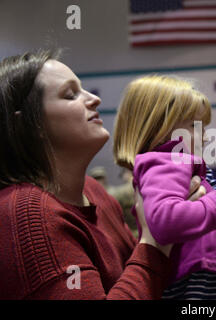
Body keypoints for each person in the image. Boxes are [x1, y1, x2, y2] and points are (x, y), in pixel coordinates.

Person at [0, 50, 204, 299]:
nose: (94, 99)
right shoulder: (26, 214)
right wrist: (155, 240)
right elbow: (147, 261)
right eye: (70, 95)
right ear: (31, 125)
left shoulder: (93, 191)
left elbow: (143, 276)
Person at [112, 75, 216, 299]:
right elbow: (166, 220)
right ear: (161, 127)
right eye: (196, 126)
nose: (205, 138)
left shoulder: (175, 166)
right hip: (194, 289)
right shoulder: (166, 162)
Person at [109, 168, 138, 237]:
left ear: (127, 173)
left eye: (122, 175)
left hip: (131, 235)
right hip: (149, 234)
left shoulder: (118, 193)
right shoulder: (145, 187)